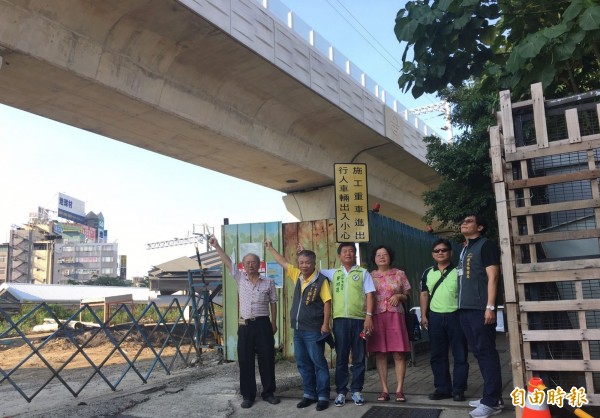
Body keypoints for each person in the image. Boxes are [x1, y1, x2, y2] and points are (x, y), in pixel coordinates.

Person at [209, 236, 280, 409]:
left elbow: (273, 303)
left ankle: (268, 393)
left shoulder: (269, 282)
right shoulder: (240, 278)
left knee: (267, 359)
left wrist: (274, 323)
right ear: (243, 265)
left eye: (253, 262)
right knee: (245, 361)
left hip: (264, 325)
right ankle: (248, 395)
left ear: (259, 265)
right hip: (245, 326)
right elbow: (227, 262)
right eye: (247, 262)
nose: (250, 265)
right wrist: (217, 246)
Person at [265, 240, 332, 411]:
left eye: (307, 262)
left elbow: (327, 302)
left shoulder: (321, 280)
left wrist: (325, 323)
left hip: (314, 330)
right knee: (302, 363)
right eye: (301, 262)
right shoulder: (298, 276)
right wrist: (271, 248)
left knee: (318, 363)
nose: (303, 265)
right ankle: (309, 394)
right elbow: (282, 262)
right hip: (298, 330)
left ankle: (323, 396)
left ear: (313, 263)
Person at [456, 214, 504, 418]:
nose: (464, 224)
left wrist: (490, 306)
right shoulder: (465, 248)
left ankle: (491, 402)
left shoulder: (486, 245)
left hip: (480, 309)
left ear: (480, 226)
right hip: (465, 309)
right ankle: (492, 397)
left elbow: (493, 276)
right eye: (463, 222)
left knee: (486, 352)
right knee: (478, 352)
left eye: (469, 221)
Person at [317, 242, 375, 407]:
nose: (348, 253)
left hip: (360, 320)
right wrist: (302, 253)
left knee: (359, 357)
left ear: (355, 254)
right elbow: (312, 271)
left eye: (351, 251)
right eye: (344, 251)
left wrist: (369, 317)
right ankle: (341, 392)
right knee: (341, 357)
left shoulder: (363, 273)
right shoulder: (332, 273)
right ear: (339, 256)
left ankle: (357, 391)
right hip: (340, 321)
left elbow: (370, 295)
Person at [419, 238, 469, 402]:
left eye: (444, 250)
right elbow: (424, 294)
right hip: (435, 317)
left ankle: (459, 390)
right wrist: (424, 315)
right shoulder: (428, 272)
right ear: (433, 254)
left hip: (456, 316)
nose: (440, 253)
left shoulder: (459, 270)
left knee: (460, 354)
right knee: (437, 355)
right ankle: (442, 388)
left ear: (450, 252)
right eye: (437, 251)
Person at [368, 245, 411, 403]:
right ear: (374, 258)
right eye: (378, 254)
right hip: (377, 316)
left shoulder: (399, 274)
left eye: (385, 254)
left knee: (399, 353)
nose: (381, 257)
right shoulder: (369, 276)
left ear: (390, 257)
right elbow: (366, 297)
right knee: (380, 353)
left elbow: (407, 295)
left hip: (395, 316)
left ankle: (399, 389)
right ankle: (384, 389)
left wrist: (399, 296)